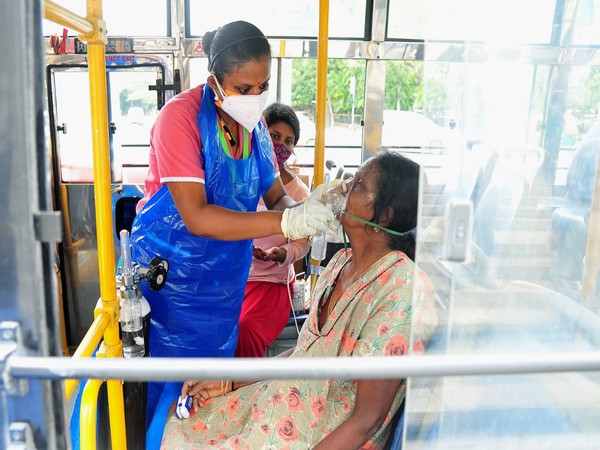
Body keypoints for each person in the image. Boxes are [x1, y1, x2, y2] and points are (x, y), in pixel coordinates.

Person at [129, 20, 334, 444]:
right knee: (171, 398)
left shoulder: (256, 130)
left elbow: (277, 197)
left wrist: (310, 209)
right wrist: (286, 222)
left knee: (212, 396)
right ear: (215, 82)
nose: (256, 97)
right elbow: (198, 217)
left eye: (264, 86)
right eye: (244, 88)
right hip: (174, 292)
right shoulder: (180, 120)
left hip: (224, 289)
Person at [160, 151, 438, 449]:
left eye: (358, 185)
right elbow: (305, 352)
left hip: (319, 435)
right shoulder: (340, 263)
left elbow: (366, 421)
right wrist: (229, 383)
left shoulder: (401, 289)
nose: (342, 188)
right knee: (183, 418)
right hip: (281, 406)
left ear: (384, 216)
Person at [235, 103, 311, 357]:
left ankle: (244, 390)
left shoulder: (299, 193)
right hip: (233, 276)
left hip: (271, 283)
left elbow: (302, 244)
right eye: (274, 136)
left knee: (246, 326)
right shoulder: (238, 178)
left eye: (289, 142)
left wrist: (281, 253)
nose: (281, 146)